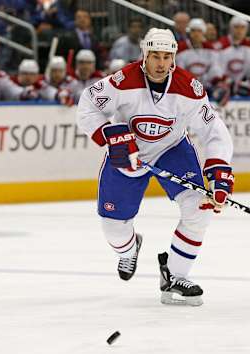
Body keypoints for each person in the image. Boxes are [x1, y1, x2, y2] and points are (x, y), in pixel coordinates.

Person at [76, 28, 233, 306]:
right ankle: (129, 249)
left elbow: (213, 130)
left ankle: (174, 278)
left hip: (172, 150)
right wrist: (111, 135)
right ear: (144, 55)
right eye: (155, 56)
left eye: (167, 56)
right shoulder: (123, 80)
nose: (161, 63)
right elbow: (88, 105)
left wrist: (220, 172)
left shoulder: (189, 88)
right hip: (128, 154)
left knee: (200, 209)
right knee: (113, 229)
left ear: (173, 57)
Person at [215, 16, 250, 100]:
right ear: (230, 28)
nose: (239, 31)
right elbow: (216, 70)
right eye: (236, 27)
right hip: (222, 86)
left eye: (243, 28)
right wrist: (229, 83)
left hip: (240, 87)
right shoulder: (220, 46)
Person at [176, 18, 224, 92]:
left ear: (203, 32)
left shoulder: (210, 48)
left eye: (199, 31)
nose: (196, 34)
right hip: (187, 86)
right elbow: (180, 70)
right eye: (193, 30)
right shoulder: (181, 48)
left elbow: (215, 68)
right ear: (190, 32)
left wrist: (215, 81)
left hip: (207, 87)